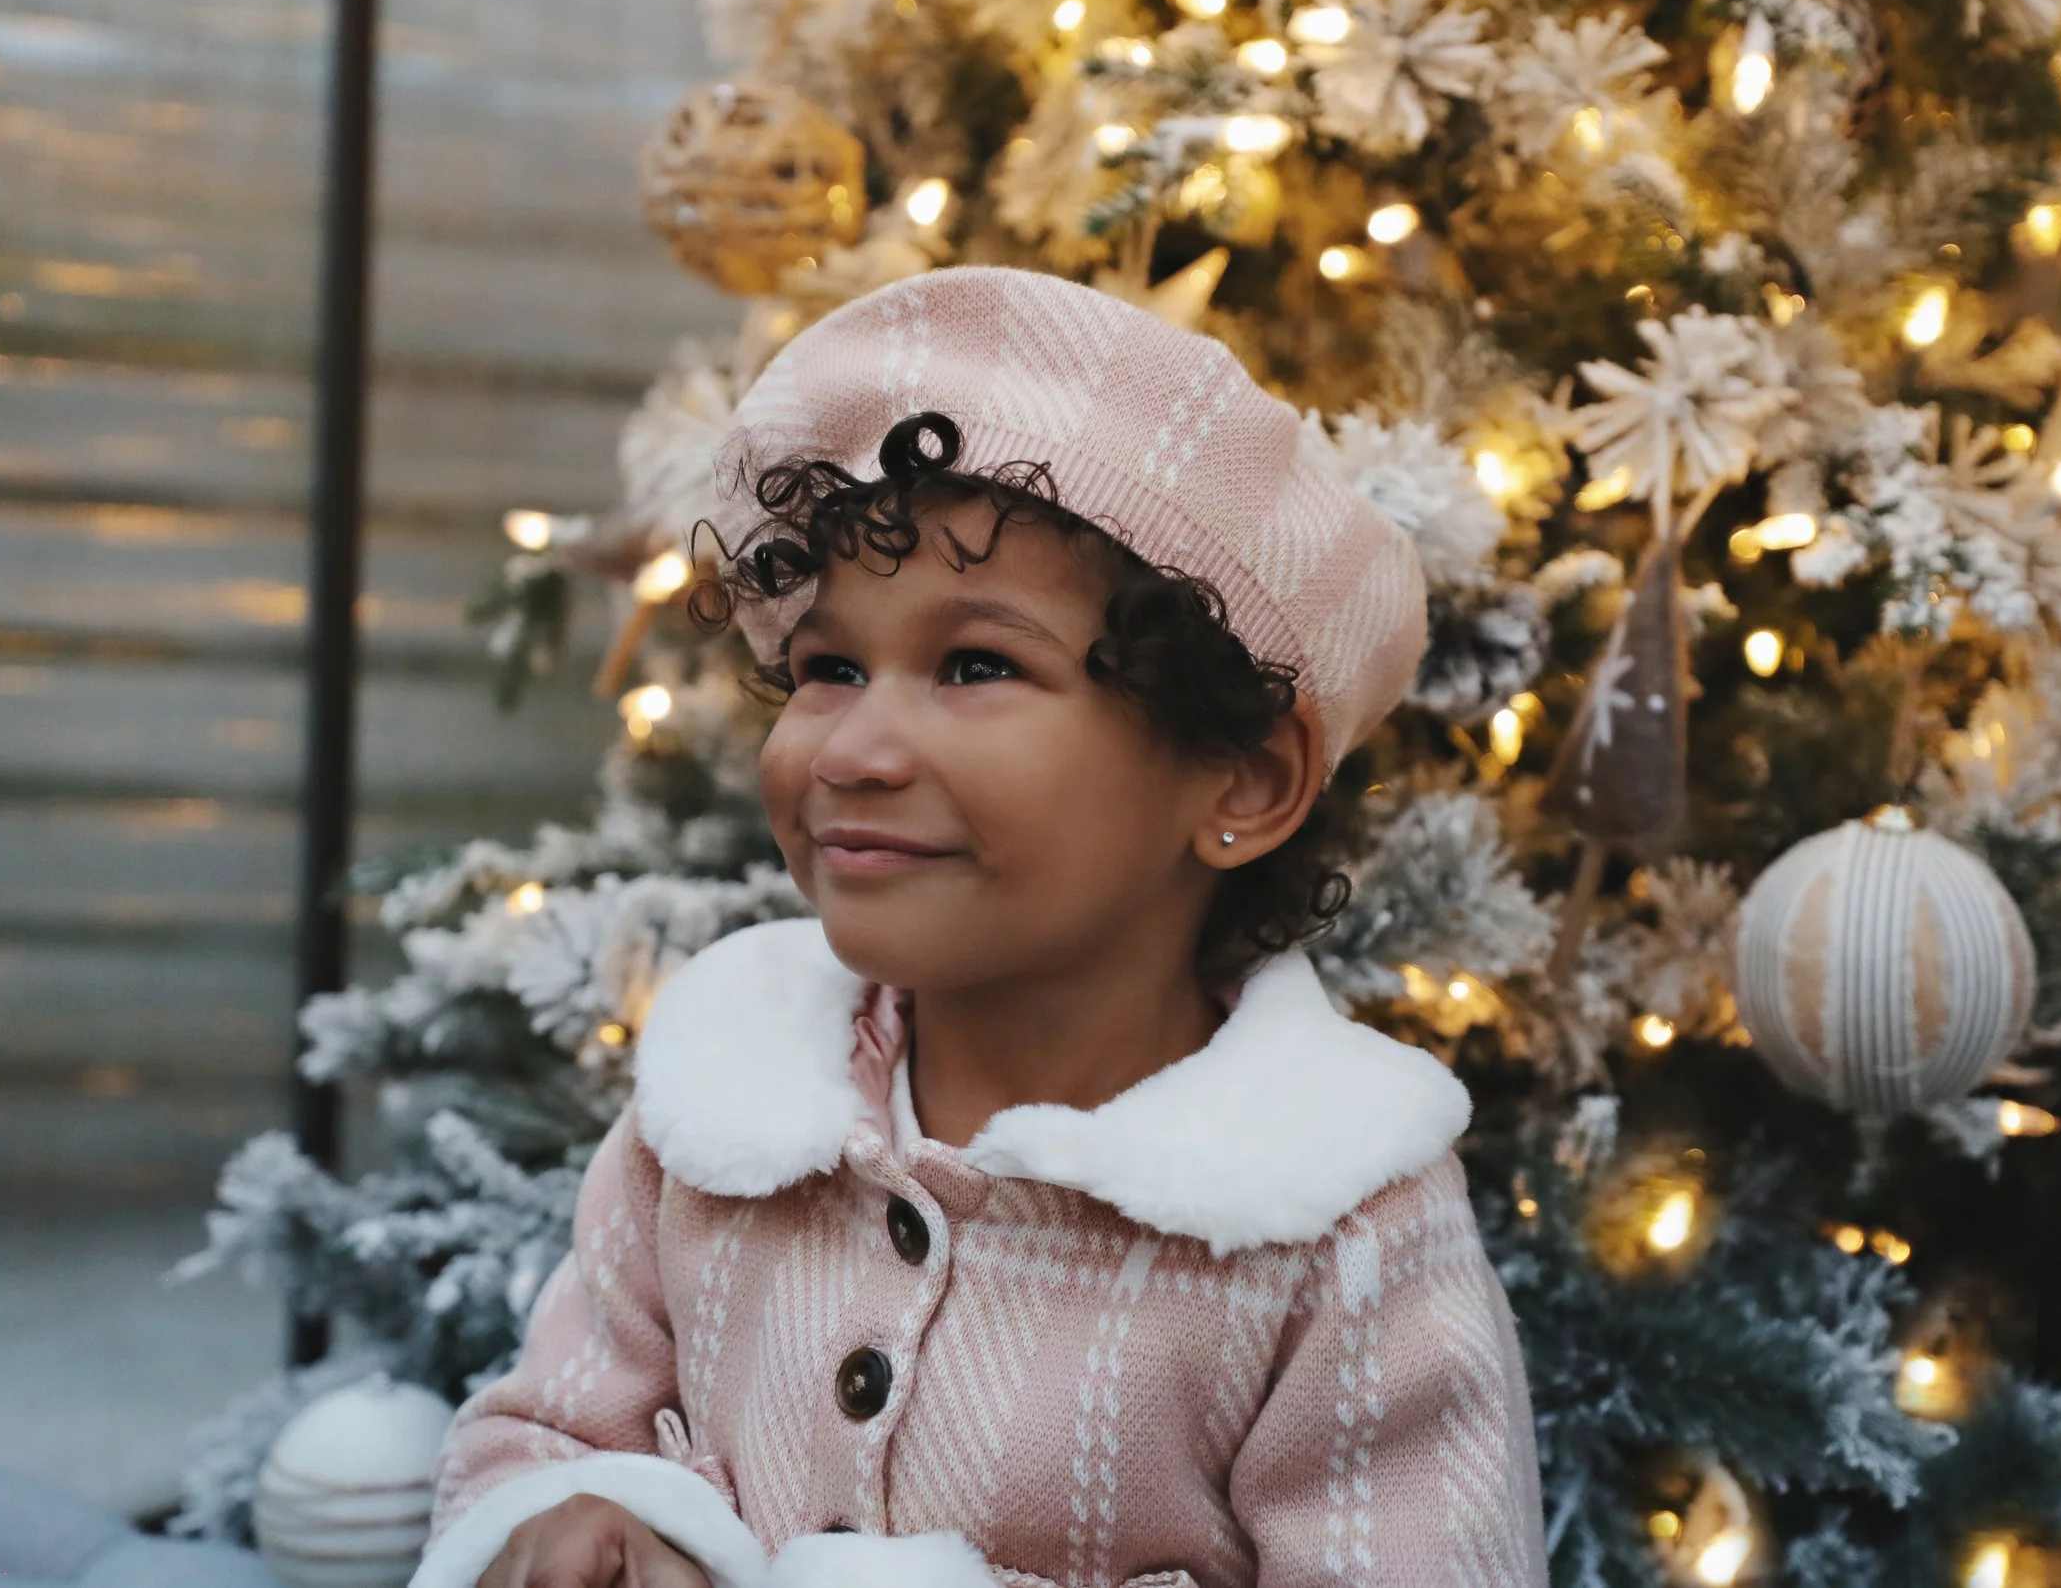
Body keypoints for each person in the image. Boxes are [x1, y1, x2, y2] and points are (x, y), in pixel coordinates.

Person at [413, 267, 1549, 1588]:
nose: (858, 745)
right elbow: (539, 1431)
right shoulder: (717, 1114)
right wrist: (564, 1525)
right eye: (831, 666)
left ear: (1244, 779)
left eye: (975, 666)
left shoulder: (1337, 1225)